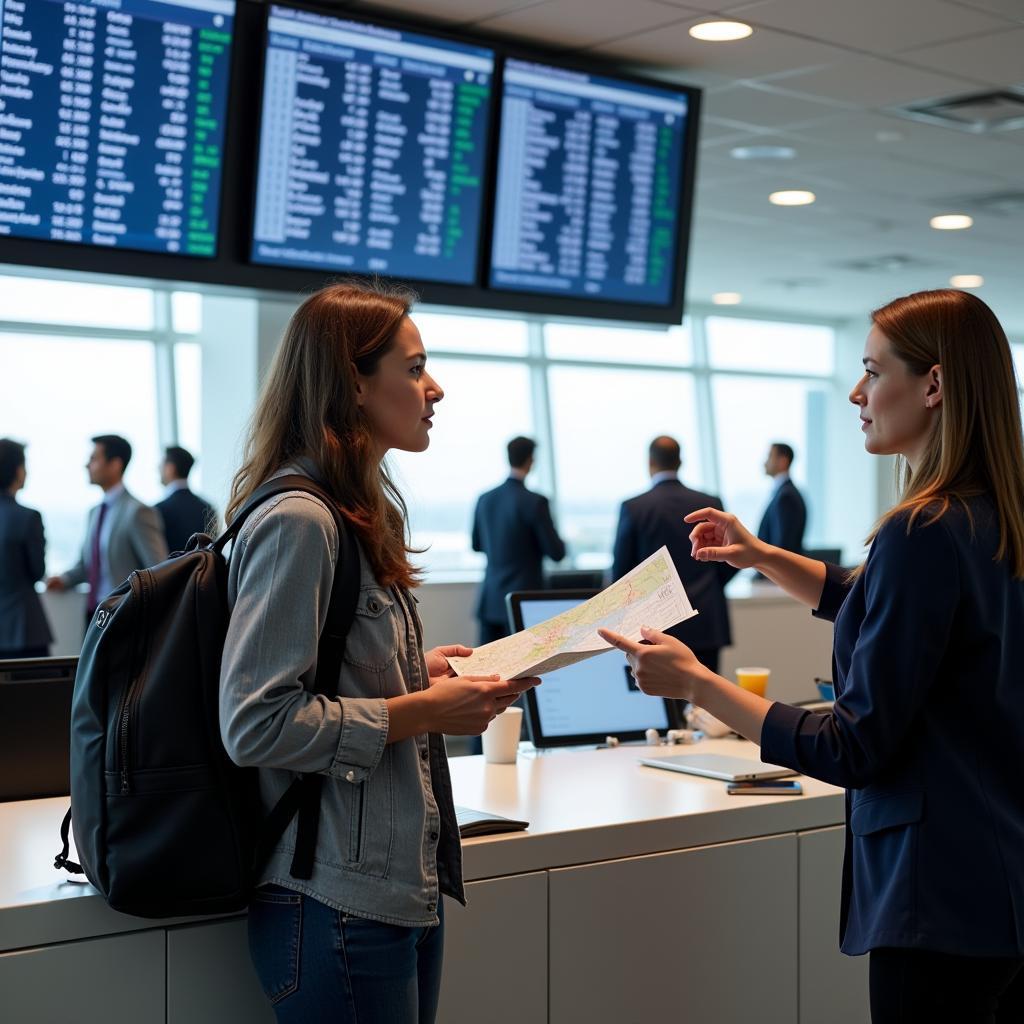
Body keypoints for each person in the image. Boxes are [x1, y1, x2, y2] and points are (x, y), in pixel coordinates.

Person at [600, 289, 1024, 1022]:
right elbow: (875, 600)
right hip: (1000, 878)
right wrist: (761, 555)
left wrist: (697, 682)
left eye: (871, 370)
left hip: (937, 896)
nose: (857, 393)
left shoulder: (919, 530)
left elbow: (857, 747)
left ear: (933, 385)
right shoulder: (991, 517)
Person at [218, 282, 539, 1024]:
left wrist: (413, 678)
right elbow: (256, 723)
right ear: (353, 382)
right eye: (415, 367)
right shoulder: (300, 519)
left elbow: (327, 673)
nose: (436, 388)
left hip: (389, 889)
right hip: (332, 901)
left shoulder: (351, 511)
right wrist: (422, 709)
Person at [611, 436, 734, 673]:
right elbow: (729, 559)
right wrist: (707, 586)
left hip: (655, 624)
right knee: (708, 702)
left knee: (660, 704)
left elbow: (622, 573)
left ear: (649, 462)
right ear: (680, 461)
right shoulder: (709, 502)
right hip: (705, 620)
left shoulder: (634, 507)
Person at [46, 435, 168, 625]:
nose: (87, 465)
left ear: (115, 464)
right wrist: (64, 579)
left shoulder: (138, 512)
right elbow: (88, 565)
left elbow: (159, 569)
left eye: (94, 458)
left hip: (125, 617)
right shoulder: (95, 512)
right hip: (94, 614)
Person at [471, 436, 566, 645]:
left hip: (490, 601)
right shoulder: (535, 502)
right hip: (523, 603)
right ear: (531, 460)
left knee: (485, 670)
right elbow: (556, 553)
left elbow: (476, 545)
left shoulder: (485, 499)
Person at [0, 440, 52, 659]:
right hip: (23, 629)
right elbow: (37, 571)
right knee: (37, 693)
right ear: (18, 471)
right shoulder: (28, 517)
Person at [155, 445, 218, 551]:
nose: (157, 469)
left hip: (172, 567)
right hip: (204, 567)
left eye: (161, 465)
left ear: (170, 468)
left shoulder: (158, 510)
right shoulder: (208, 507)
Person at [757, 442, 807, 556]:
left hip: (778, 572)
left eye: (770, 456)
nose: (765, 463)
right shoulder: (783, 493)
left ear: (782, 461)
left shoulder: (786, 497)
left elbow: (782, 549)